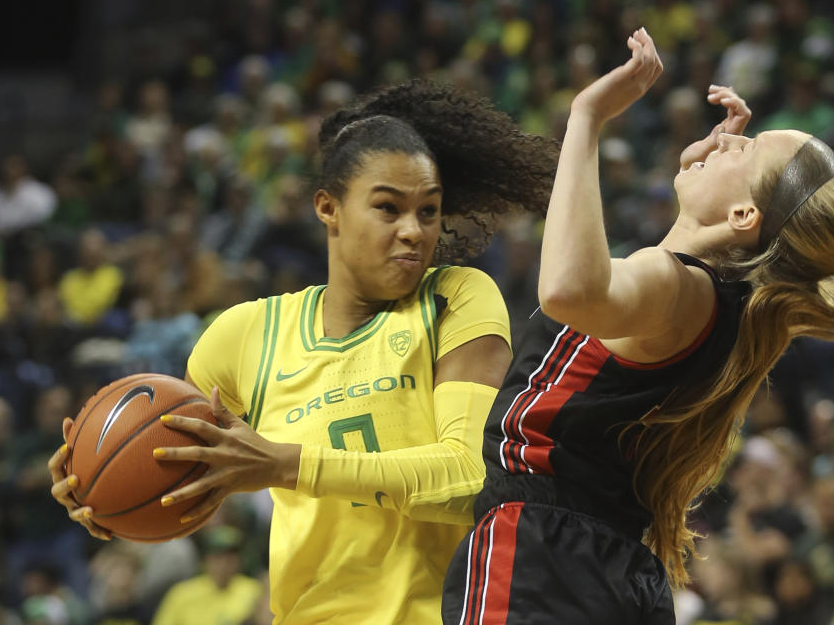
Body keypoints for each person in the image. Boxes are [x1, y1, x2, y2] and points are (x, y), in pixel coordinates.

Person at [49, 78, 559, 624]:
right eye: (388, 208)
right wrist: (106, 497)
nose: (414, 230)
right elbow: (187, 474)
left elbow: (472, 479)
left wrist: (286, 463)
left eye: (429, 211)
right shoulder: (242, 335)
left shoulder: (456, 298)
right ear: (328, 208)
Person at [442, 28, 834, 624]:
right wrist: (709, 167)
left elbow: (569, 289)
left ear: (745, 213)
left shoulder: (676, 285)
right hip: (607, 569)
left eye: (747, 150)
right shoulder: (716, 307)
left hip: (541, 552)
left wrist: (587, 117)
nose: (731, 141)